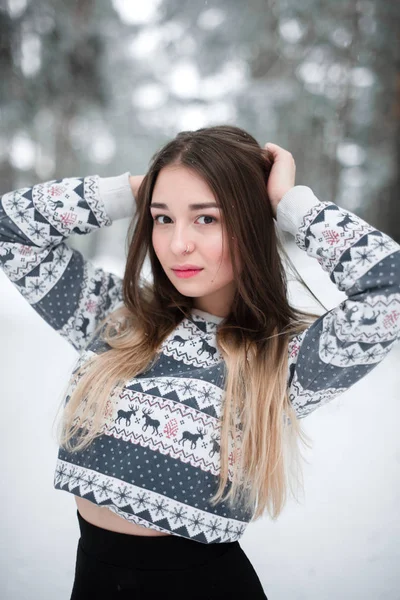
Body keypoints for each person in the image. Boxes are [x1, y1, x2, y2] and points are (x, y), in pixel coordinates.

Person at [0, 125, 399, 599]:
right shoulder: (116, 318)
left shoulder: (282, 357)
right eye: (163, 219)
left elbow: (389, 287)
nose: (176, 244)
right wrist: (136, 189)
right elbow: (13, 228)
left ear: (251, 221)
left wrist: (290, 204)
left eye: (206, 219)